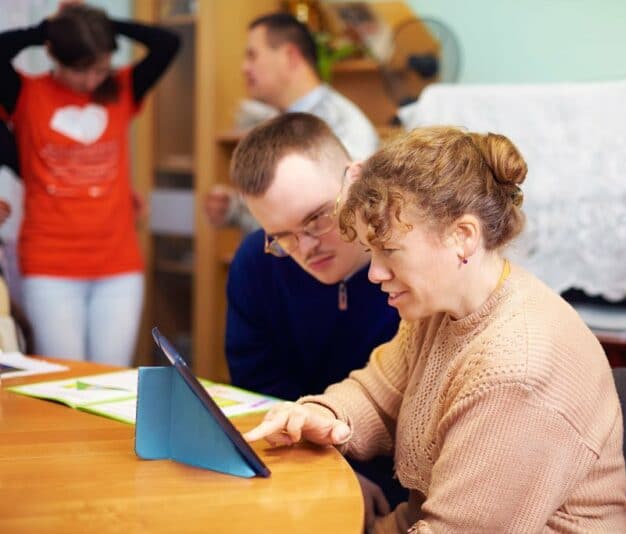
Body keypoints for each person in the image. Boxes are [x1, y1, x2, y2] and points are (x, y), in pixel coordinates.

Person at [243, 126, 626, 533]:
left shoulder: (517, 369)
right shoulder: (439, 310)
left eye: (390, 251)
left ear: (462, 237)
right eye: (371, 252)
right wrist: (320, 414)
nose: (375, 273)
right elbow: (375, 395)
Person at [227, 112, 405, 526]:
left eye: (317, 218)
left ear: (355, 179)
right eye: (282, 236)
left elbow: (414, 414)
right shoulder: (256, 262)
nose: (305, 248)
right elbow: (259, 390)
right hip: (299, 460)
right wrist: (331, 471)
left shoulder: (412, 267)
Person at [0, 4, 180, 364]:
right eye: (81, 70)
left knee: (111, 378)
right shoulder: (25, 94)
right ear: (55, 56)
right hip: (50, 266)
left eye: (100, 68)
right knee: (63, 380)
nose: (91, 81)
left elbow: (167, 43)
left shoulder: (122, 89)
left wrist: (100, 26)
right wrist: (49, 31)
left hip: (118, 266)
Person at [204, 12, 379, 233]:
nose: (244, 68)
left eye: (252, 56)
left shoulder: (343, 125)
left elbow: (341, 219)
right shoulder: (275, 123)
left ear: (290, 56)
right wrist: (235, 208)